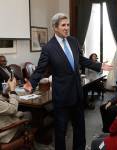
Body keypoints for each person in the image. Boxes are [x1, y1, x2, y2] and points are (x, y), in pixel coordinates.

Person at [23, 13, 112, 150]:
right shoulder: (48, 48)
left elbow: (82, 60)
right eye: (63, 25)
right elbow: (40, 69)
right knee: (61, 130)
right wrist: (31, 83)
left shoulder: (73, 41)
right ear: (55, 28)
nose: (66, 28)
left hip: (77, 92)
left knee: (80, 127)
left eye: (68, 25)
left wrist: (99, 65)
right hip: (62, 96)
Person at [0, 77, 31, 143]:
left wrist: (6, 90)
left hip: (4, 121)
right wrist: (12, 90)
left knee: (25, 113)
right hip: (5, 134)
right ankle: (36, 141)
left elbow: (2, 101)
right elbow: (13, 109)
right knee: (30, 115)